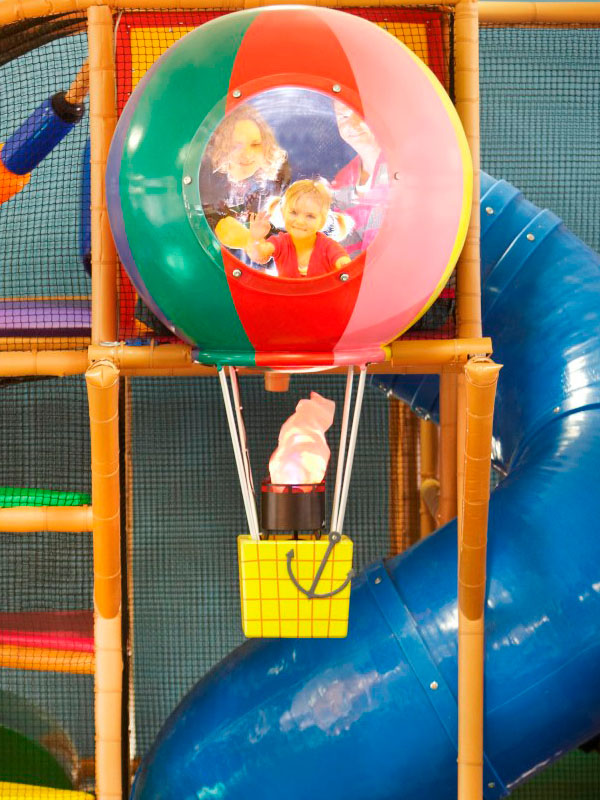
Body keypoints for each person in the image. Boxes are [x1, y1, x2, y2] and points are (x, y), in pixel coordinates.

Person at [199, 104, 290, 238]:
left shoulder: (275, 184)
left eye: (255, 145)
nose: (247, 154)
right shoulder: (205, 182)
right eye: (236, 146)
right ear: (221, 147)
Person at [245, 179, 350, 278]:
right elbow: (259, 256)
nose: (300, 221)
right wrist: (256, 238)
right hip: (286, 296)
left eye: (310, 216)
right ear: (283, 213)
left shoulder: (328, 246)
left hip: (322, 297)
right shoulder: (281, 243)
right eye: (294, 213)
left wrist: (344, 266)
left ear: (322, 221)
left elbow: (344, 264)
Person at [331, 100, 389, 257]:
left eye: (360, 114)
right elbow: (345, 251)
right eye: (343, 116)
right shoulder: (342, 180)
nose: (352, 123)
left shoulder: (402, 169)